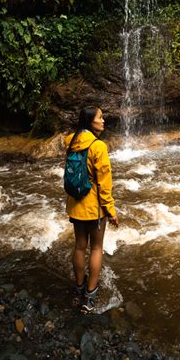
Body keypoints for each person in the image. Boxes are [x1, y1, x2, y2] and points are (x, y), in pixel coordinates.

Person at [64, 106, 118, 314]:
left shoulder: (71, 141)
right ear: (90, 122)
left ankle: (78, 290)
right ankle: (90, 296)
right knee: (96, 248)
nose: (103, 121)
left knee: (79, 246)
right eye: (100, 118)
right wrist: (110, 209)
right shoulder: (99, 147)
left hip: (75, 204)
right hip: (94, 207)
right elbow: (104, 182)